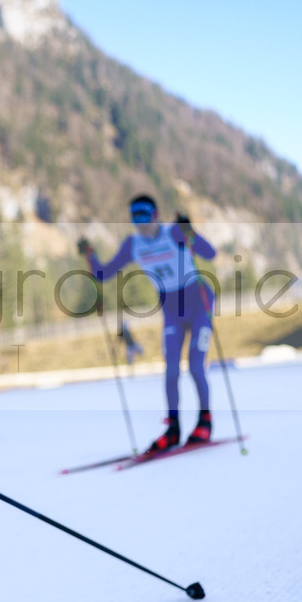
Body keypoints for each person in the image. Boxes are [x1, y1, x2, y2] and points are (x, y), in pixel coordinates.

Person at [78, 194, 216, 454]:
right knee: (171, 369)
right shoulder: (134, 244)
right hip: (172, 310)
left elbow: (210, 253)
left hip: (200, 303)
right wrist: (90, 255)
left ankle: (205, 422)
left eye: (145, 215)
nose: (140, 222)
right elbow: (102, 274)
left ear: (155, 215)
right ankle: (173, 428)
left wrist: (191, 233)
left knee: (196, 365)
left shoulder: (174, 232)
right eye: (134, 216)